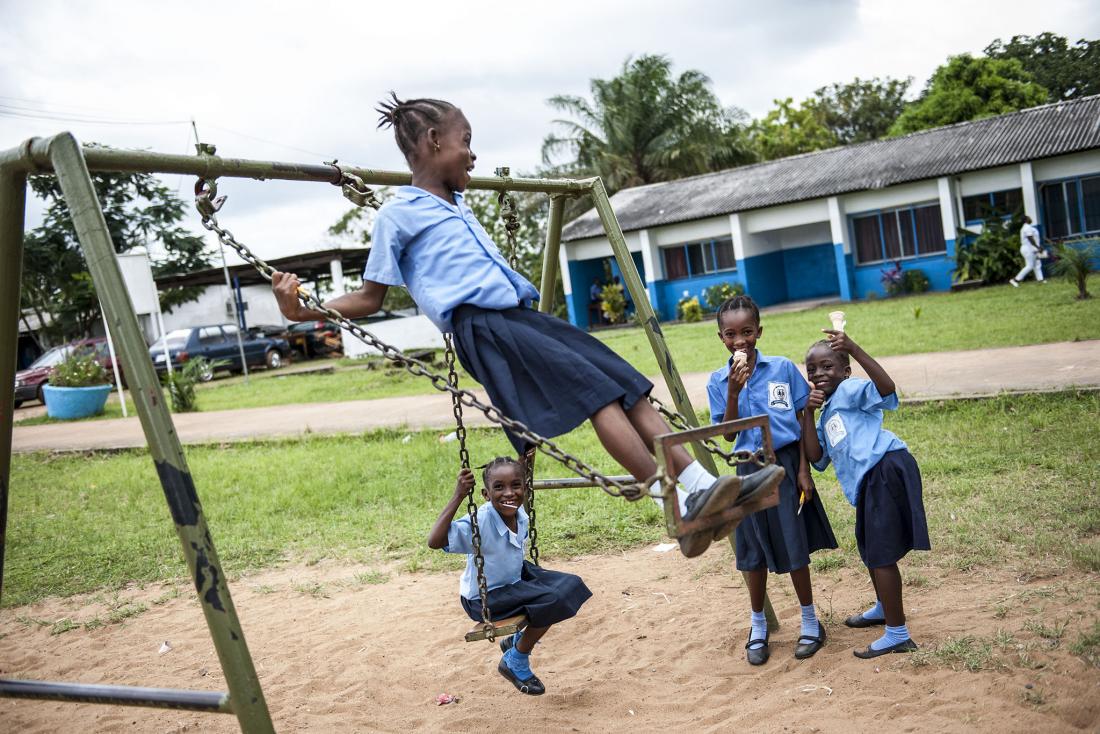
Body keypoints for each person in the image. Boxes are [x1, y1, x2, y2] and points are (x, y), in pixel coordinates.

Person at [271, 94, 782, 558]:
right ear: (433, 142)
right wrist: (304, 310)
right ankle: (671, 501)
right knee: (596, 394)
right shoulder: (397, 216)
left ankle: (696, 484)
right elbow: (368, 296)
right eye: (464, 141)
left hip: (521, 318)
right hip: (485, 327)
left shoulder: (455, 204)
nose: (472, 154)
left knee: (628, 386)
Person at [706, 296, 837, 666]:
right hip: (747, 470)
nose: (740, 341)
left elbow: (800, 421)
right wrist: (733, 391)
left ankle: (810, 620)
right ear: (722, 338)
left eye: (747, 332)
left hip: (786, 465)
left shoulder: (781, 369)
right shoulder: (718, 381)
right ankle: (758, 624)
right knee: (752, 552)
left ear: (759, 332)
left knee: (794, 545)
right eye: (731, 334)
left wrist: (803, 472)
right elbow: (729, 435)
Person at [801, 331, 930, 659]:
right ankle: (884, 608)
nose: (819, 374)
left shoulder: (850, 389)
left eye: (827, 366)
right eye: (812, 370)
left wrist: (855, 349)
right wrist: (806, 414)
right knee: (870, 548)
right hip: (869, 481)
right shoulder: (827, 410)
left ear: (845, 370)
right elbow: (816, 458)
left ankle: (898, 634)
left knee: (881, 554)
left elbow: (886, 390)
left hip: (885, 468)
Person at [428, 458, 590, 695]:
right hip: (485, 598)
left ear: (525, 487)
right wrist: (458, 495)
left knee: (571, 585)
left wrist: (526, 451)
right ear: (485, 494)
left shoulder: (518, 511)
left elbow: (523, 465)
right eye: (499, 487)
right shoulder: (481, 521)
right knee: (553, 599)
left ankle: (513, 644)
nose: (509, 493)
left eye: (516, 485)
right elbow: (435, 541)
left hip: (514, 579)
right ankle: (515, 659)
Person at [1010, 216, 1046, 287]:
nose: (1031, 218)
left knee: (1037, 264)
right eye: (1029, 218)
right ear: (1026, 220)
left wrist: (1037, 247)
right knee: (1029, 266)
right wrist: (1038, 247)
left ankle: (1041, 280)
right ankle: (1015, 280)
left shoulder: (1029, 227)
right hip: (1028, 249)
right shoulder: (1027, 227)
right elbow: (1030, 238)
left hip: (1032, 248)